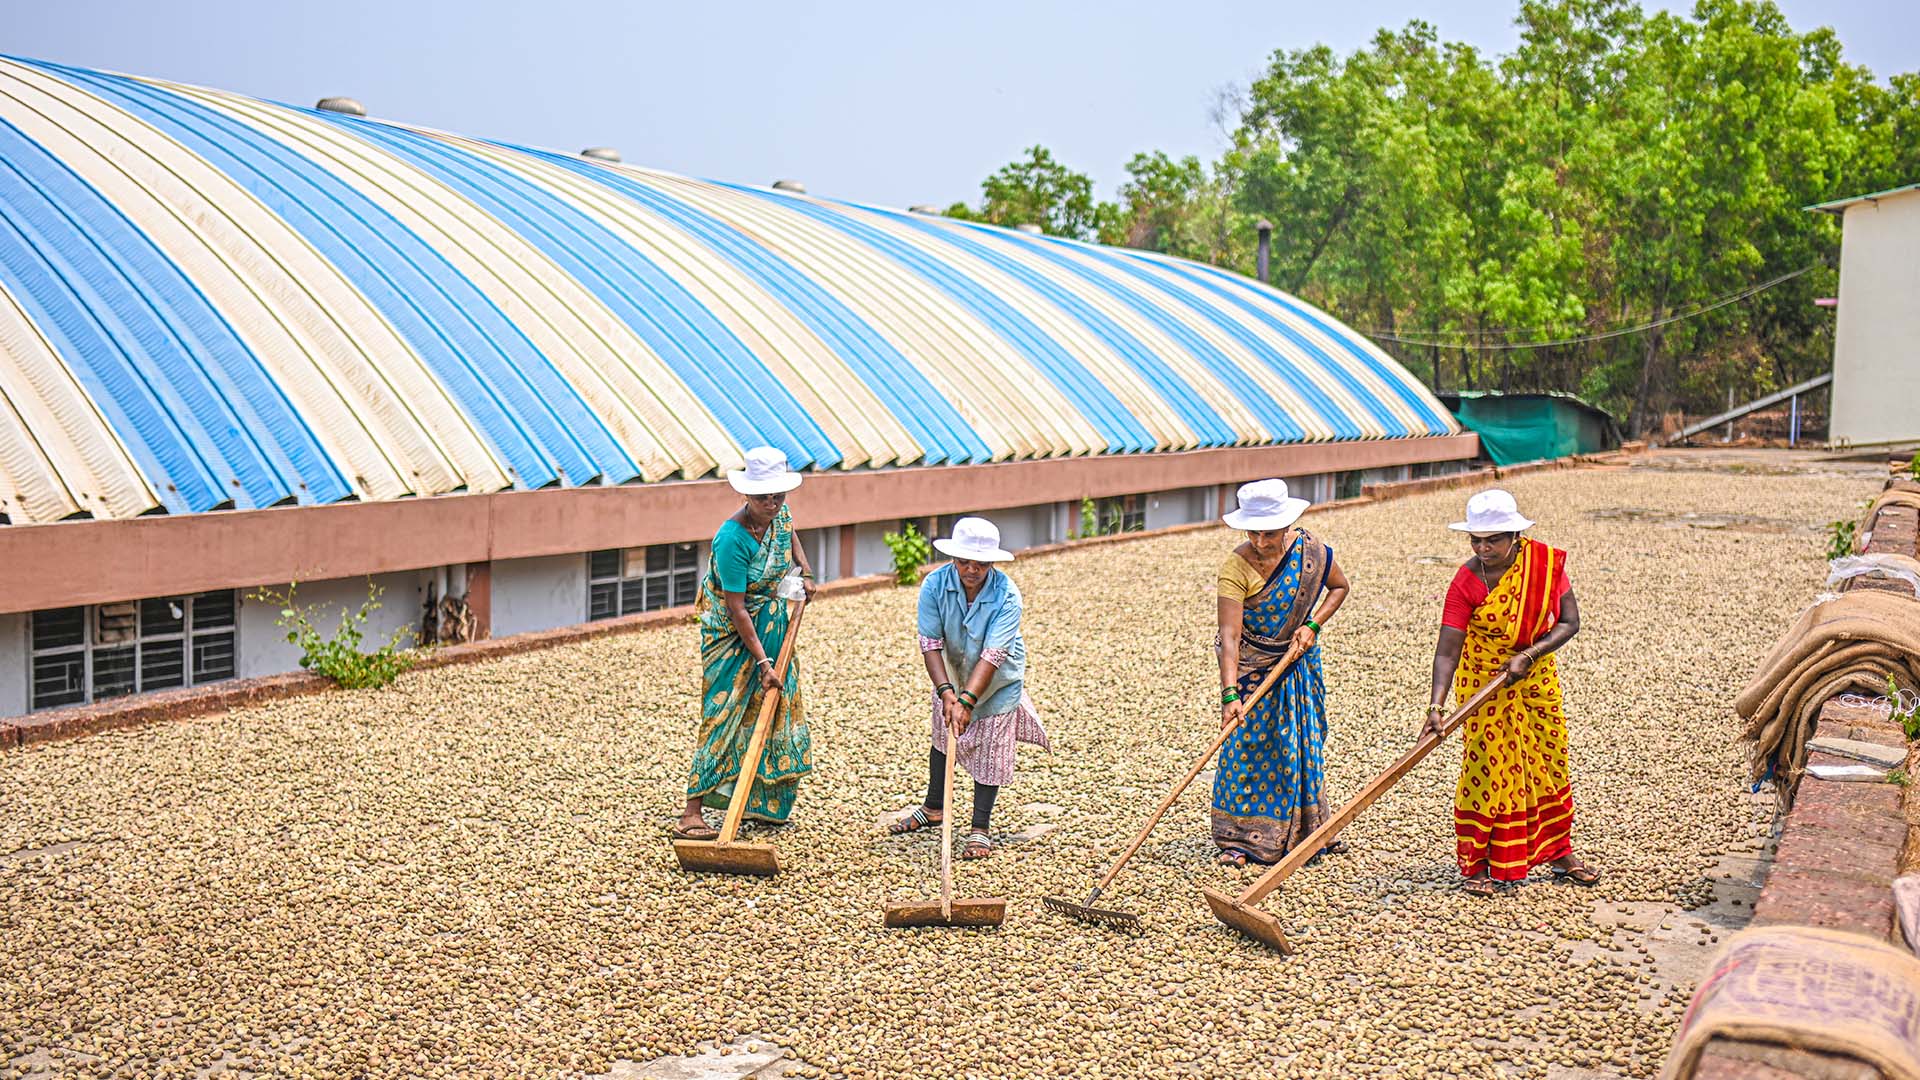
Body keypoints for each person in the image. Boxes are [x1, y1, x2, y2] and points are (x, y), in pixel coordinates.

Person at [1420, 488, 1597, 896]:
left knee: (1547, 763)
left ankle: (1558, 851)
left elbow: (1569, 622)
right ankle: (1480, 861)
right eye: (1475, 540)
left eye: (1493, 540)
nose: (1483, 548)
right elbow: (1448, 649)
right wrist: (1436, 705)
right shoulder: (1466, 581)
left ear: (1515, 536)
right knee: (1487, 771)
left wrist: (1530, 656)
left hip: (1534, 681)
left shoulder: (1544, 565)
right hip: (1485, 684)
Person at [675, 447, 818, 840]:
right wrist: (762, 664)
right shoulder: (731, 539)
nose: (772, 504)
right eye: (763, 497)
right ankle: (692, 812)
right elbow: (736, 608)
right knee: (723, 712)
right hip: (731, 632)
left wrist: (804, 571)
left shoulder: (779, 515)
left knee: (773, 707)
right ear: (746, 495)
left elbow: (789, 533)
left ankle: (762, 803)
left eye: (778, 496)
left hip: (770, 622)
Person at [888, 517, 1049, 859]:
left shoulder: (1007, 595)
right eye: (964, 562)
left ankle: (980, 827)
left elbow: (992, 656)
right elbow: (930, 643)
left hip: (996, 681)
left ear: (992, 563)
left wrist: (968, 700)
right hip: (952, 672)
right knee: (943, 737)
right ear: (953, 559)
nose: (972, 570)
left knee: (990, 747)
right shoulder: (934, 585)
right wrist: (947, 692)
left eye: (981, 564)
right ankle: (934, 808)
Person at [1212, 478, 1350, 867]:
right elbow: (1229, 635)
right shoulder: (1234, 568)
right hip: (1254, 666)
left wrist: (1313, 626)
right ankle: (1240, 840)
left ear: (1287, 525)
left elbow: (1339, 587)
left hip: (1299, 664)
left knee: (1302, 744)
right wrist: (1230, 694)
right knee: (1248, 747)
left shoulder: (1311, 553)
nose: (1259, 540)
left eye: (1268, 532)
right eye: (1252, 531)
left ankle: (1311, 829)